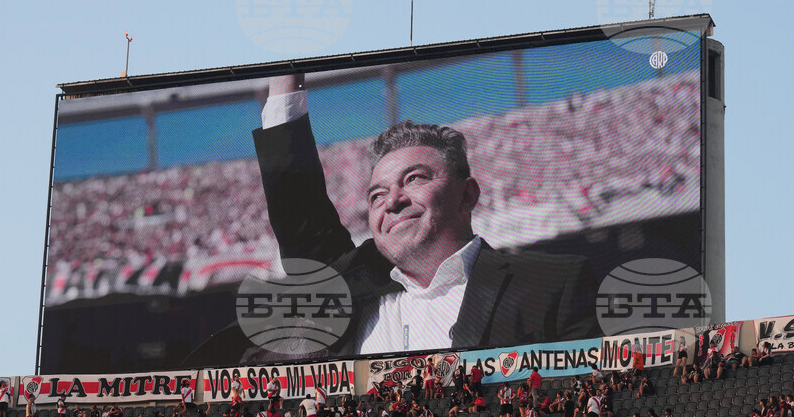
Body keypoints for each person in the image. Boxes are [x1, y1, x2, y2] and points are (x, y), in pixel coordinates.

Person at [188, 73, 601, 363]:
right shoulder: (350, 287)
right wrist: (286, 69)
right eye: (376, 194)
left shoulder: (554, 284)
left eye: (415, 179)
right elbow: (299, 212)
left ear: (467, 195)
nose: (392, 201)